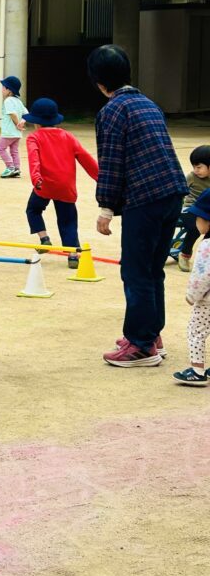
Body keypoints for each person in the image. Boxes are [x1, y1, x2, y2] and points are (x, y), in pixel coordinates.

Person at [90, 44, 188, 368]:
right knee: (152, 269)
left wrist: (106, 208)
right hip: (172, 192)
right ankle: (150, 334)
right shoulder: (148, 103)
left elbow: (111, 162)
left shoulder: (112, 111)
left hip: (144, 197)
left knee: (135, 271)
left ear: (98, 82)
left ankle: (142, 345)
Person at [23, 98, 98, 268]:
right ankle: (73, 255)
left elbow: (34, 159)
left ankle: (44, 239)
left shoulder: (34, 137)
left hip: (44, 185)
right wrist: (100, 178)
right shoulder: (68, 136)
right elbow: (85, 158)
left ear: (36, 122)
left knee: (33, 210)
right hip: (66, 186)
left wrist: (36, 178)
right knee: (68, 220)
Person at [172, 190, 210, 385]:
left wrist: (192, 296)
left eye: (198, 218)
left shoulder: (207, 246)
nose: (196, 222)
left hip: (207, 301)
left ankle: (197, 370)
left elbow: (202, 277)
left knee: (196, 332)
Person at [176, 145, 210, 273]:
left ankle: (206, 257)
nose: (196, 170)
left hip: (206, 211)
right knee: (196, 227)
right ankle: (185, 254)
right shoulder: (192, 177)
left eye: (199, 167)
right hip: (190, 209)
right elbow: (180, 191)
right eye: (194, 167)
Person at [0, 75, 26, 178]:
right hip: (17, 134)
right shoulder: (18, 101)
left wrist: (17, 124)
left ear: (9, 90)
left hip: (8, 132)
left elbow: (12, 114)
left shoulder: (8, 101)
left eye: (4, 88)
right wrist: (22, 122)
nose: (2, 90)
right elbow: (26, 114)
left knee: (0, 149)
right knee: (14, 151)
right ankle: (17, 169)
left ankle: (10, 167)